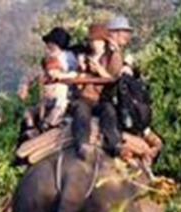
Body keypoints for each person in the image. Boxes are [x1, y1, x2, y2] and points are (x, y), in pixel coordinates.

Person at [71, 23, 124, 159]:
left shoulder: (112, 57)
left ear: (103, 41)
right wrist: (81, 72)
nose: (93, 43)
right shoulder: (84, 58)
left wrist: (100, 70)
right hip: (85, 98)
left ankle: (113, 144)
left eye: (95, 40)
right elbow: (77, 82)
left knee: (109, 111)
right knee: (80, 110)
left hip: (103, 98)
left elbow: (114, 79)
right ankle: (82, 144)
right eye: (91, 41)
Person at [19, 27, 78, 138]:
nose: (48, 46)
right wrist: (25, 84)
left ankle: (46, 125)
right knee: (28, 112)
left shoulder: (69, 58)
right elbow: (34, 72)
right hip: (47, 95)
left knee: (60, 107)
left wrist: (62, 76)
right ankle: (31, 129)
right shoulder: (47, 58)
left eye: (51, 43)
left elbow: (76, 73)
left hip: (64, 94)